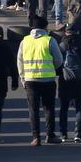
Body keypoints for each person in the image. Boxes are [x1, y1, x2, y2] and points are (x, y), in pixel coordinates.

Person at [18, 15, 64, 145]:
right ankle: (50, 135)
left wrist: (23, 79)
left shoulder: (24, 41)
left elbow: (19, 62)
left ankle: (35, 137)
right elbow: (59, 60)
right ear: (45, 27)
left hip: (31, 80)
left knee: (33, 109)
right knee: (49, 108)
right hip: (48, 79)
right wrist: (52, 68)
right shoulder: (49, 40)